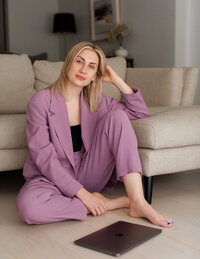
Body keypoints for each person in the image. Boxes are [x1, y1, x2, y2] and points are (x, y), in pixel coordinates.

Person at [16, 41, 173, 228]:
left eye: (92, 67)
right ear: (68, 63)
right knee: (29, 208)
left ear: (95, 76)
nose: (84, 70)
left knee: (117, 116)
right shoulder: (40, 101)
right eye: (79, 62)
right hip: (50, 176)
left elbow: (139, 112)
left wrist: (116, 80)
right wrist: (85, 196)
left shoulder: (96, 100)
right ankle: (107, 204)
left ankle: (138, 202)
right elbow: (44, 159)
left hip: (88, 171)